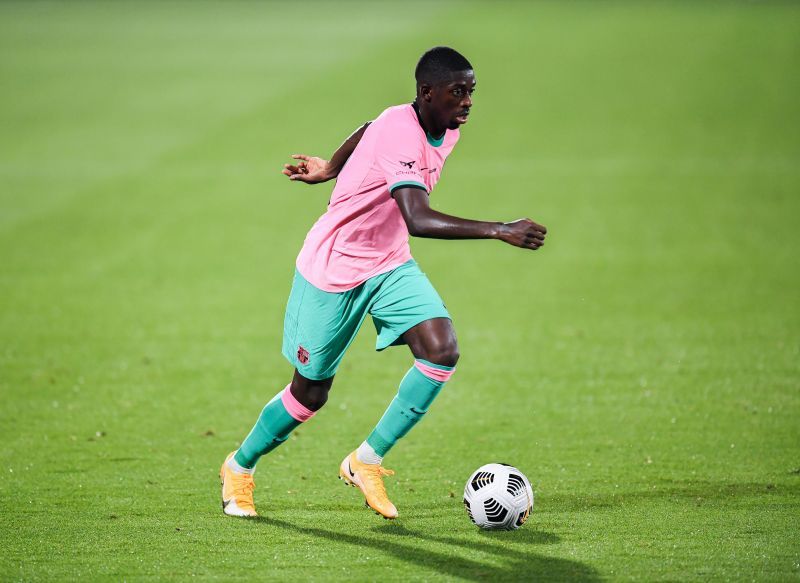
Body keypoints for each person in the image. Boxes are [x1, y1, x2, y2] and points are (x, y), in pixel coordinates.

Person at [220, 46, 547, 519]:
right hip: (334, 268)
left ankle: (365, 460)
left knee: (441, 350)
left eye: (471, 92)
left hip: (388, 262)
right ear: (427, 92)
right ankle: (239, 466)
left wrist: (331, 166)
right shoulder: (403, 132)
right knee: (309, 394)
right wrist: (499, 229)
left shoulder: (437, 126)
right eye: (458, 93)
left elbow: (369, 128)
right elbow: (416, 216)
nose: (468, 102)